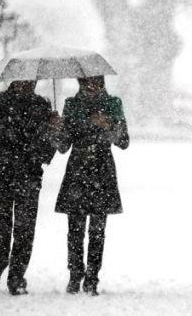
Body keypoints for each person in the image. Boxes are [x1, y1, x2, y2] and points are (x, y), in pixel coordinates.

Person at [0, 80, 61, 295]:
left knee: (25, 229)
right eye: (24, 80)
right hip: (0, 175)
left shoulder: (41, 106)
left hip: (29, 175)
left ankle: (16, 275)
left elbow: (53, 143)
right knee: (1, 225)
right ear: (14, 80)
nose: (29, 84)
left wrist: (53, 131)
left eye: (32, 81)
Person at [54, 76, 129, 295]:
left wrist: (109, 126)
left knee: (98, 230)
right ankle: (75, 273)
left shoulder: (113, 104)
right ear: (80, 83)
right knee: (75, 230)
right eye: (87, 82)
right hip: (78, 169)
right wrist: (58, 128)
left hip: (102, 169)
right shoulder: (72, 105)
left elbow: (124, 141)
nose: (92, 86)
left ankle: (92, 277)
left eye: (97, 82)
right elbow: (62, 146)